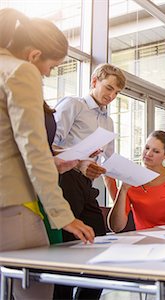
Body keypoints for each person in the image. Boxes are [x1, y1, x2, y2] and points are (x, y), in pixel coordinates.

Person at [0, 8, 94, 300]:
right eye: (51, 66)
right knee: (36, 290)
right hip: (12, 203)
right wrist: (63, 216)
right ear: (34, 54)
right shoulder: (20, 71)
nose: (47, 73)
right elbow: (33, 148)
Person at [52, 63, 126, 299]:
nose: (111, 96)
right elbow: (50, 143)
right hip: (65, 180)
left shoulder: (109, 122)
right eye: (108, 88)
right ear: (94, 81)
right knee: (65, 251)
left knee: (101, 246)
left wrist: (117, 195)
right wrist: (79, 157)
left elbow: (108, 163)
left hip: (87, 184)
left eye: (116, 93)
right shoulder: (73, 104)